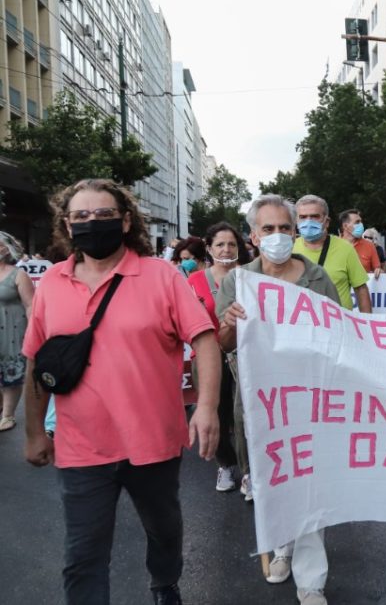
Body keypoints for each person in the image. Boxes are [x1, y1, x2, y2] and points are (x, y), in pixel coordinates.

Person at [22, 178, 220, 605]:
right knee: (83, 556)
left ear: (126, 221)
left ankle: (164, 584)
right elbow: (37, 362)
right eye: (81, 217)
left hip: (153, 441)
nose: (93, 223)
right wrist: (35, 431)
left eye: (104, 215)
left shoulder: (161, 275)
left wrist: (206, 407)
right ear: (68, 225)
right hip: (81, 447)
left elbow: (204, 338)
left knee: (164, 530)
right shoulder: (52, 283)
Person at [217, 194, 340, 605]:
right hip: (261, 406)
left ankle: (311, 581)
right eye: (267, 229)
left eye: (284, 228)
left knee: (309, 485)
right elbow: (223, 342)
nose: (278, 236)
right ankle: (281, 545)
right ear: (253, 236)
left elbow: (339, 336)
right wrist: (230, 322)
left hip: (310, 401)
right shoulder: (238, 281)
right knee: (273, 483)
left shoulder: (316, 278)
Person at [187, 222, 252, 496]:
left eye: (232, 244)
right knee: (217, 412)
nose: (226, 249)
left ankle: (249, 473)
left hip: (243, 354)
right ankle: (225, 464)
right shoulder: (195, 281)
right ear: (209, 248)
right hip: (207, 356)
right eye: (220, 244)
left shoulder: (250, 278)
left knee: (245, 417)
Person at [292, 195, 371, 313]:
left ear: (327, 222)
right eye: (303, 217)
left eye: (314, 216)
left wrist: (367, 325)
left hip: (338, 325)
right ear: (296, 221)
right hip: (301, 325)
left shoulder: (345, 249)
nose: (308, 221)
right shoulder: (290, 248)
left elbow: (361, 289)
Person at [0, 232, 33, 431]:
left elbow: (31, 305)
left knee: (11, 373)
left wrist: (34, 333)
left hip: (12, 331)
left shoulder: (18, 274)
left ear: (5, 249)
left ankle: (8, 415)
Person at [339, 209, 382, 279]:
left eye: (361, 221)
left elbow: (378, 269)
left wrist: (379, 271)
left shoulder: (369, 246)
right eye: (357, 222)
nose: (361, 225)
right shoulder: (333, 246)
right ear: (345, 226)